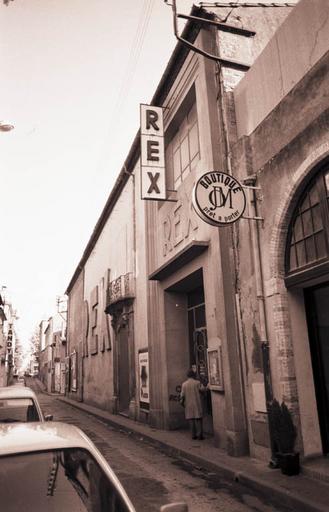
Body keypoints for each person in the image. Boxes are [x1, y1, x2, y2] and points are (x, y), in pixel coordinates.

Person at [180, 369, 205, 440]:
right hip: (197, 402)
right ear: (193, 375)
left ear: (187, 376)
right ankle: (200, 435)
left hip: (189, 404)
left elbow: (182, 395)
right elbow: (202, 389)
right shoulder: (197, 383)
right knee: (198, 419)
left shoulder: (184, 384)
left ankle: (193, 435)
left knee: (191, 419)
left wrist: (182, 402)